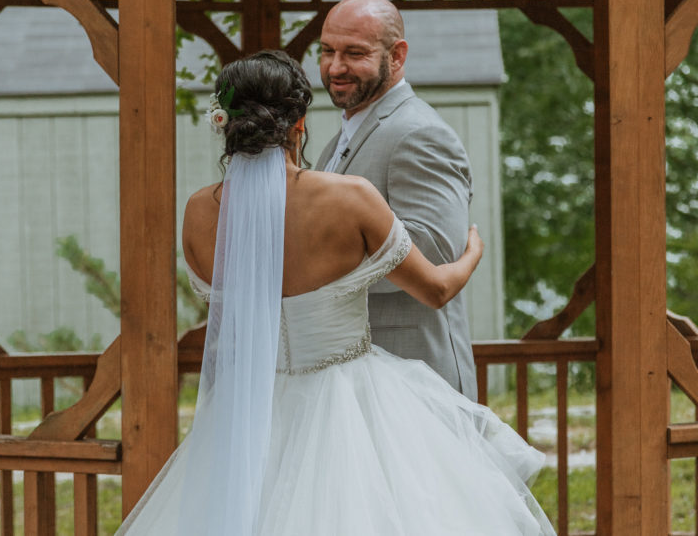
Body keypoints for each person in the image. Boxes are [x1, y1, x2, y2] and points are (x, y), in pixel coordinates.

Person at [117, 50, 554, 536]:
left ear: (225, 122)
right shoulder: (352, 198)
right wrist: (472, 251)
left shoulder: (199, 213)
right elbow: (436, 290)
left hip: (249, 414)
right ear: (299, 123)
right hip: (352, 405)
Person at [317, 0, 478, 397]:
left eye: (354, 53)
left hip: (412, 375)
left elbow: (432, 253)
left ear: (397, 55)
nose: (336, 67)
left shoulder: (418, 133)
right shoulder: (338, 141)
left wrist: (316, 263)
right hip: (351, 376)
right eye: (327, 51)